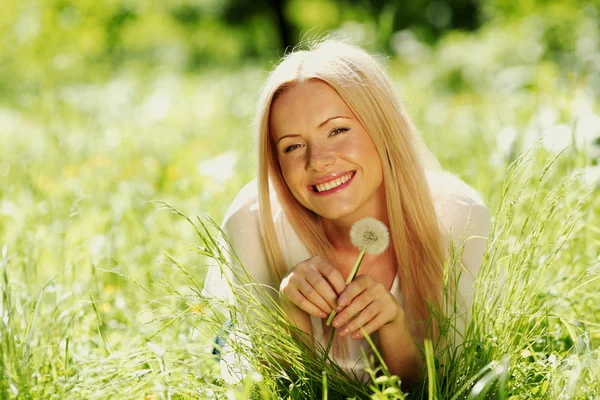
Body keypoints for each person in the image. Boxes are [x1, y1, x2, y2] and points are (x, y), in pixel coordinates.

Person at [203, 39, 491, 385]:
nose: (318, 160)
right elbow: (281, 387)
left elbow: (452, 382)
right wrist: (292, 315)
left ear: (382, 127)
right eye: (293, 146)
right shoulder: (252, 222)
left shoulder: (459, 218)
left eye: (338, 130)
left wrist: (393, 329)